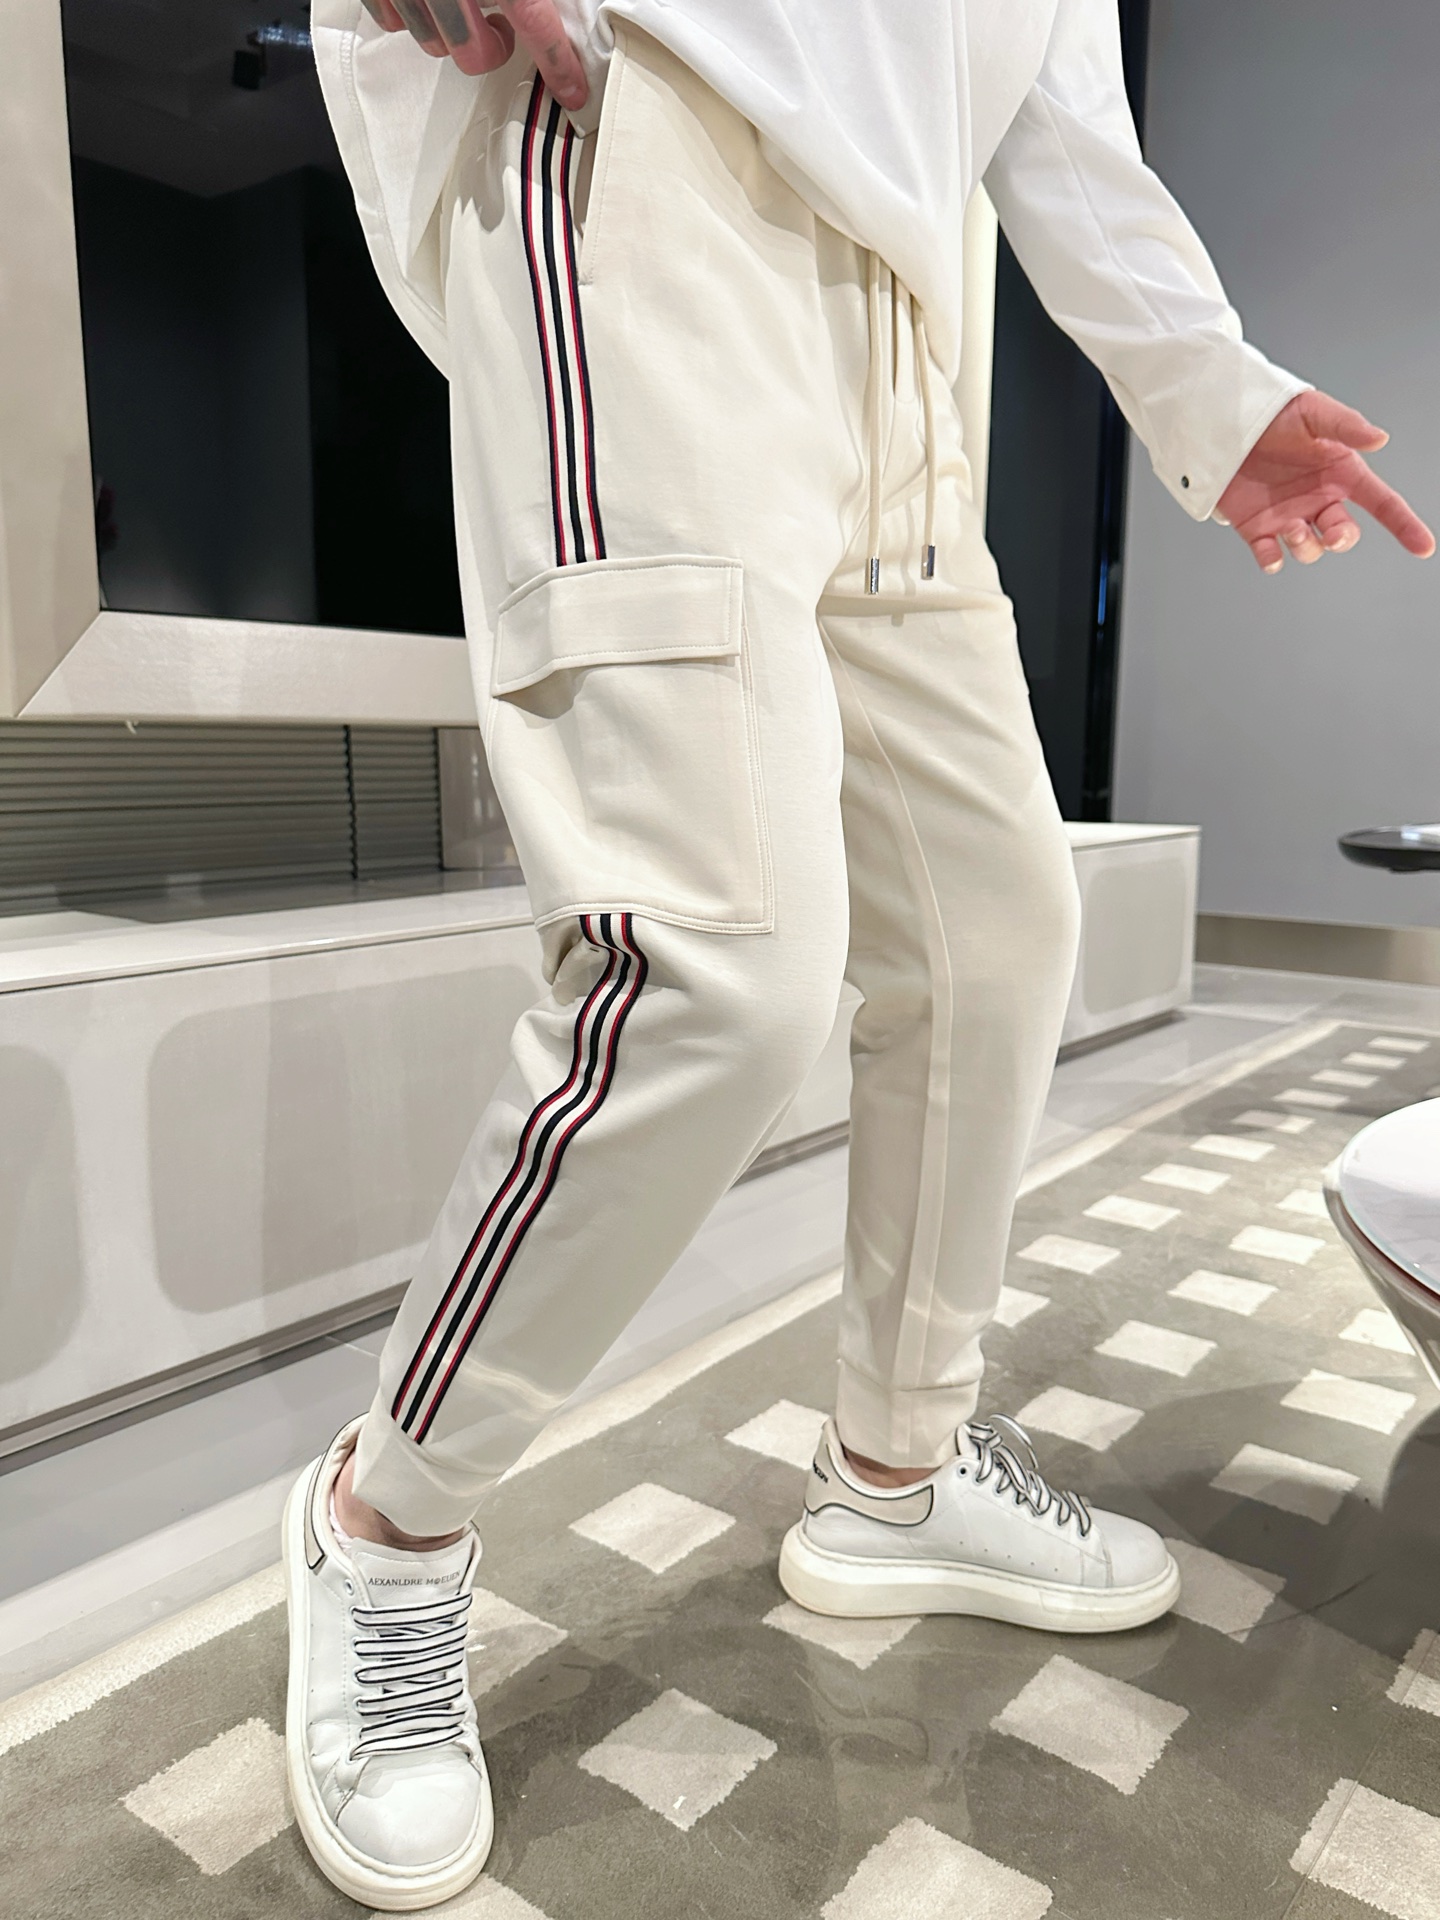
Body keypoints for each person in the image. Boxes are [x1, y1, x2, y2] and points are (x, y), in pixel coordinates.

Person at [287, 0, 1437, 1907]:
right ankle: (383, 1522)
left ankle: (895, 1476)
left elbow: (1059, 100)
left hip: (912, 301)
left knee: (998, 929)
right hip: (643, 138)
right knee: (717, 969)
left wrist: (1209, 392)